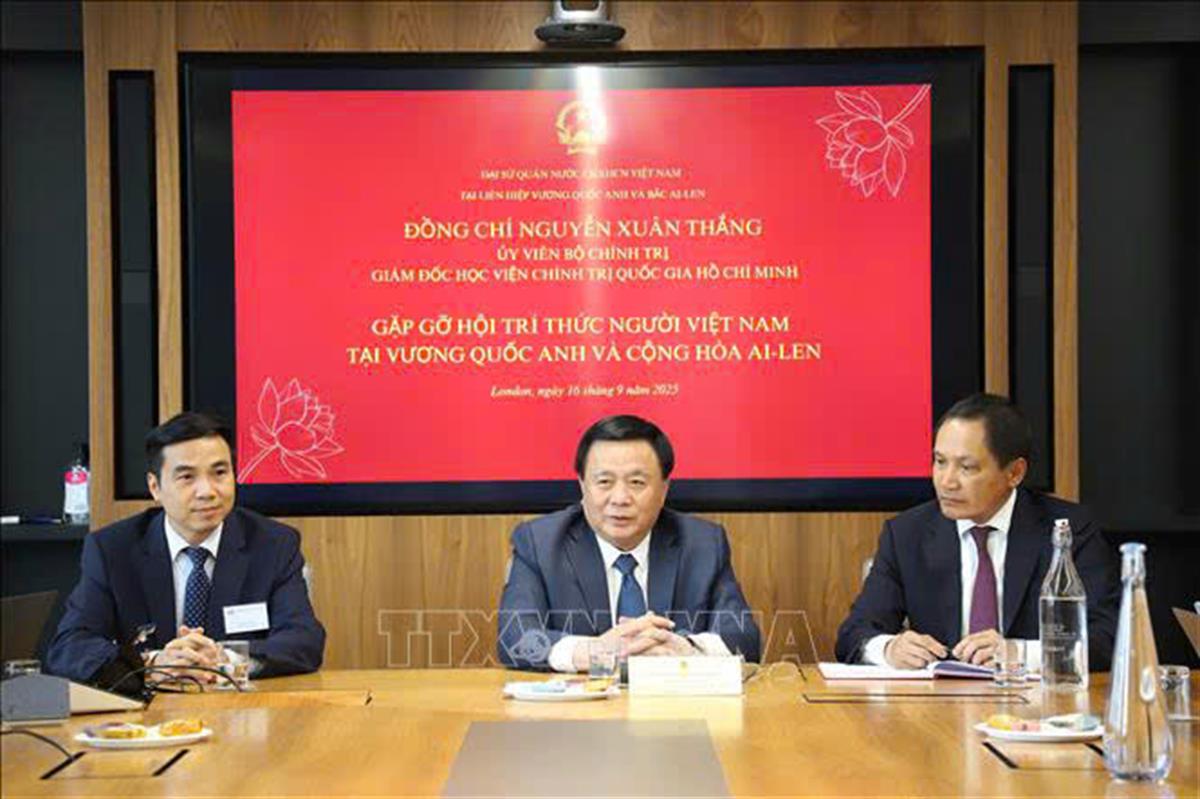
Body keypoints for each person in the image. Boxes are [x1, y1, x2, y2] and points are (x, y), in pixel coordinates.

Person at [835, 393, 1120, 670]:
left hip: (1032, 700)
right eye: (940, 462)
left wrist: (1021, 653)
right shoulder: (907, 534)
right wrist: (889, 649)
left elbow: (1109, 636)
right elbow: (854, 634)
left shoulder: (1068, 530)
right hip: (938, 700)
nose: (947, 481)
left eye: (967, 467)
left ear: (1014, 473)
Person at [46, 412, 325, 686]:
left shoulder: (273, 544)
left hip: (244, 706)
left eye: (220, 473)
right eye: (187, 477)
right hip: (149, 711)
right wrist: (152, 664)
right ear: (155, 487)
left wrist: (226, 658)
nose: (207, 491)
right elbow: (69, 646)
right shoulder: (112, 550)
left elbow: (304, 640)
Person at [497, 415, 760, 671]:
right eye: (604, 482)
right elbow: (515, 637)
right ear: (583, 486)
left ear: (664, 489)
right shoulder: (539, 543)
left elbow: (745, 639)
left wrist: (684, 648)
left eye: (636, 482)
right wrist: (595, 651)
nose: (620, 498)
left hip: (672, 699)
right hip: (581, 700)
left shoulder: (702, 544)